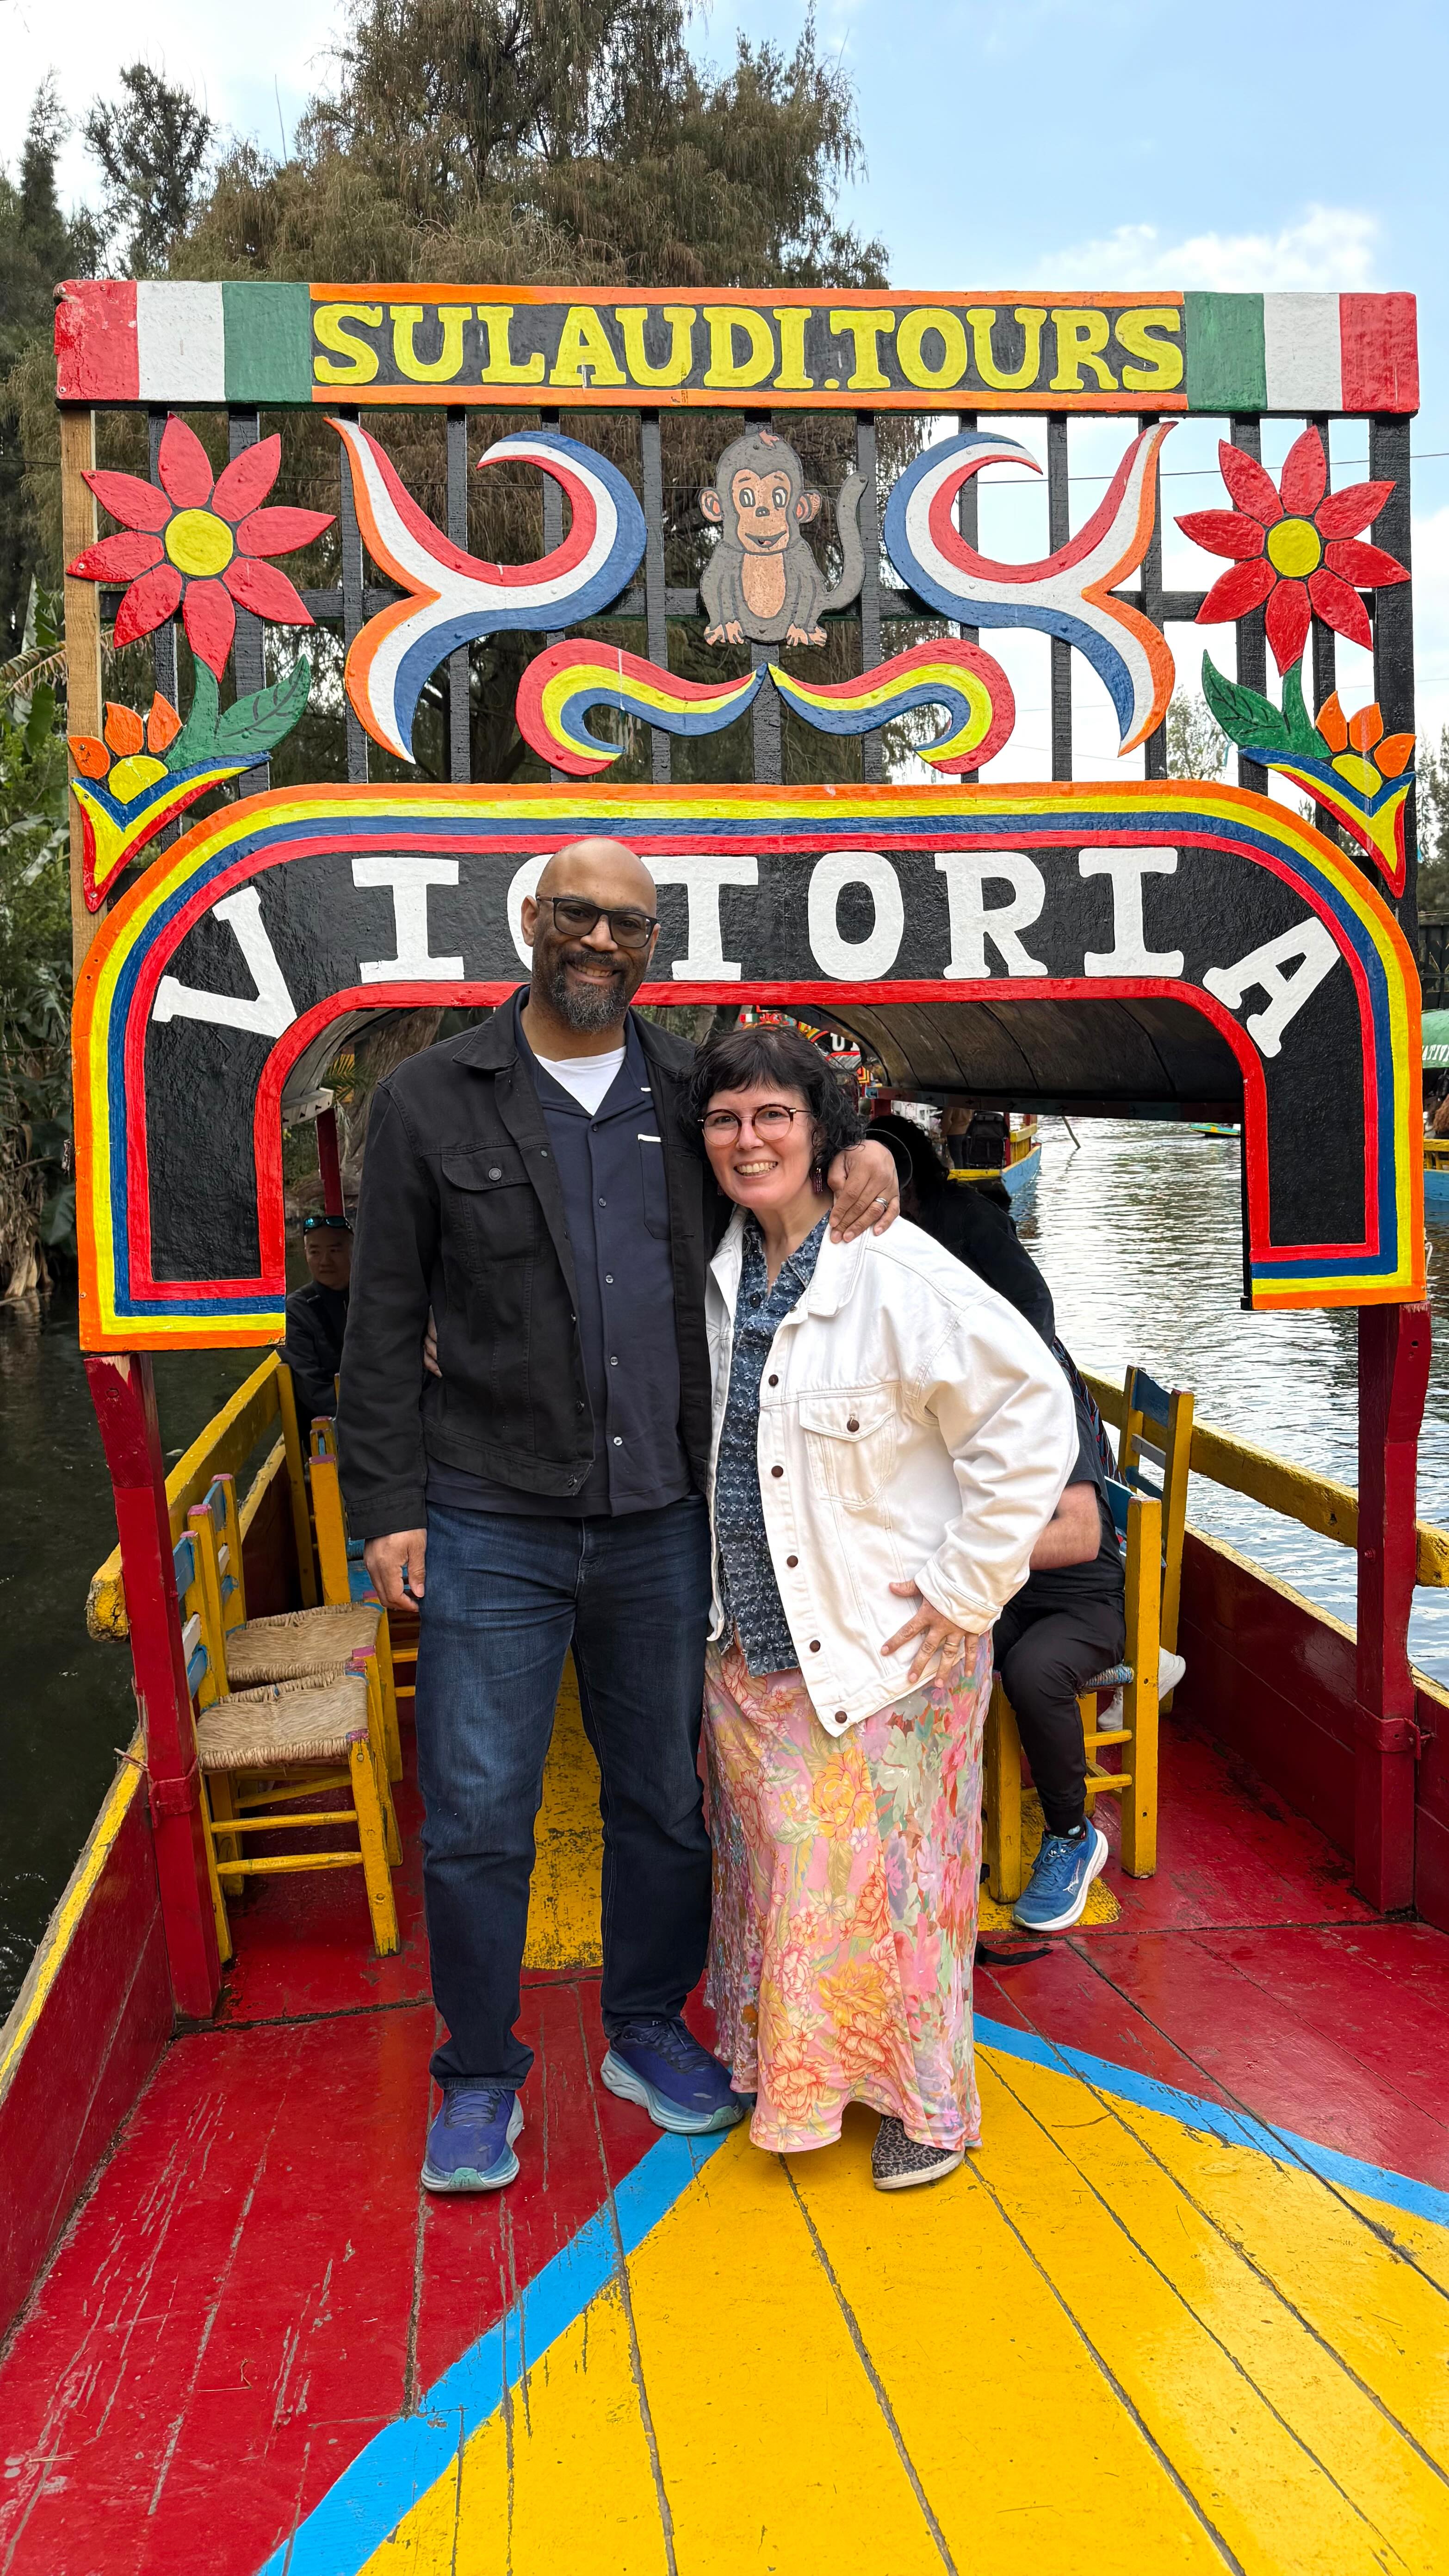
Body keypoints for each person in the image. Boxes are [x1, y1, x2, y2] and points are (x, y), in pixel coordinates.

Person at [336, 838, 903, 2194]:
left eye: (631, 924)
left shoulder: (685, 1088)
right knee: (478, 1809)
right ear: (532, 920)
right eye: (579, 914)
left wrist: (877, 1167)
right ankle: (478, 2074)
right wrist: (391, 1507)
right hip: (489, 1513)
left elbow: (791, 1158)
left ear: (651, 945)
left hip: (659, 1513)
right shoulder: (429, 1100)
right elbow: (382, 1325)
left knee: (662, 1797)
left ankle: (648, 2025)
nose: (603, 939)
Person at [694, 1025, 1076, 2188]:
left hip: (887, 1640)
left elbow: (1030, 1421)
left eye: (775, 1115)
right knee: (779, 1874)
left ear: (823, 1135)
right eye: (725, 1118)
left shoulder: (896, 1268)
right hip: (750, 1644)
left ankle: (927, 2105)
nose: (749, 1138)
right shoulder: (715, 1266)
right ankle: (792, 2077)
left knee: (900, 1885)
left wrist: (967, 1586)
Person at [280, 1213, 353, 1425]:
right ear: (305, 1254)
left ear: (354, 1250)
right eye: (315, 1252)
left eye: (334, 1250)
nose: (325, 1261)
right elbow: (315, 1390)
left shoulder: (372, 1298)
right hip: (333, 1426)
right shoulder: (296, 1310)